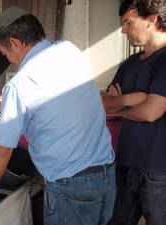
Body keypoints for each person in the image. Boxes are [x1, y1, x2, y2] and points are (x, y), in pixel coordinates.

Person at [0, 6, 116, 225]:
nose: (10, 60)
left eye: (6, 54)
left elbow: (2, 149)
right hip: (105, 175)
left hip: (70, 186)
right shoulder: (69, 49)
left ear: (14, 42)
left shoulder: (19, 85)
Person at [102, 0, 166, 224]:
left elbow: (151, 112)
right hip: (126, 163)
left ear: (152, 20)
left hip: (159, 171)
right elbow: (101, 104)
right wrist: (130, 100)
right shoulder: (129, 64)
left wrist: (119, 105)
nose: (123, 30)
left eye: (128, 23)